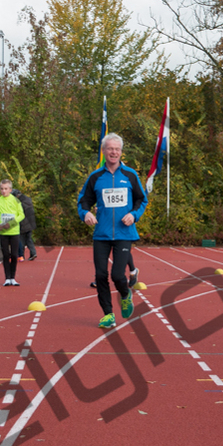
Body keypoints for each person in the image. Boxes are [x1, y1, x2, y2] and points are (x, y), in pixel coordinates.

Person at [77, 133, 147, 329]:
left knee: (117, 275)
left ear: (121, 152)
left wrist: (134, 214)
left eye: (117, 149)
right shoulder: (95, 177)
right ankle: (108, 314)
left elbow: (142, 199)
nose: (113, 152)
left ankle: (125, 295)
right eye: (110, 148)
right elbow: (83, 200)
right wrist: (86, 214)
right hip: (101, 234)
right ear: (104, 151)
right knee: (100, 276)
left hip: (124, 233)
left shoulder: (131, 175)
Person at [0, 180, 26, 285]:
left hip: (14, 231)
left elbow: (21, 215)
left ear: (10, 190)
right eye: (2, 189)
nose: (4, 191)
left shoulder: (16, 201)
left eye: (6, 189)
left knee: (14, 255)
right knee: (6, 255)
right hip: (3, 233)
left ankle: (13, 277)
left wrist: (11, 223)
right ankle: (7, 278)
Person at [12, 188, 38, 261]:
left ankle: (21, 255)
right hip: (30, 223)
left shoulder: (19, 203)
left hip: (23, 223)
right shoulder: (28, 200)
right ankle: (33, 252)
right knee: (29, 239)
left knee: (21, 240)